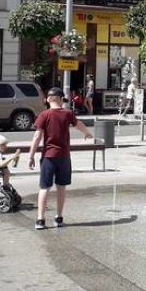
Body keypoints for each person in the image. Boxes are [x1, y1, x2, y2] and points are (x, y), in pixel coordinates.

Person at [28, 86, 93, 230]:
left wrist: (31, 156)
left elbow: (37, 136)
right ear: (60, 99)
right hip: (64, 156)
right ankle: (59, 217)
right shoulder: (67, 113)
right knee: (61, 187)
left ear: (50, 99)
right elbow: (79, 124)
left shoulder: (44, 115)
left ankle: (40, 219)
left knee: (44, 188)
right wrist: (87, 133)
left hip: (48, 157)